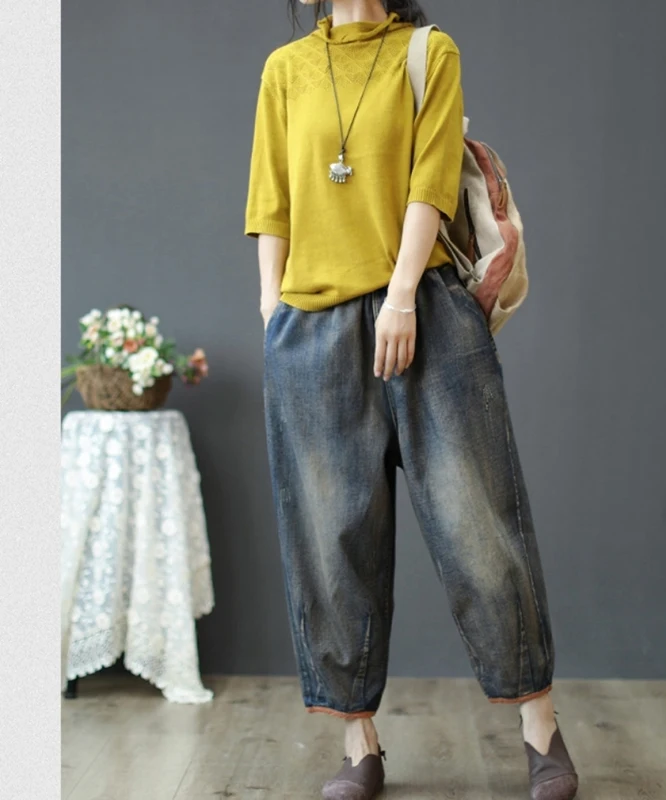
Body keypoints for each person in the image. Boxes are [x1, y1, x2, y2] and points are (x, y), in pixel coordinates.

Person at [244, 1, 578, 798]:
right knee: (332, 542)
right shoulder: (286, 70)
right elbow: (270, 199)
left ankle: (541, 731)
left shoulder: (429, 52)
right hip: (312, 330)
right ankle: (359, 747)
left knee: (480, 528)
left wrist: (399, 297)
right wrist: (272, 310)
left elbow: (432, 182)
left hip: (424, 311)